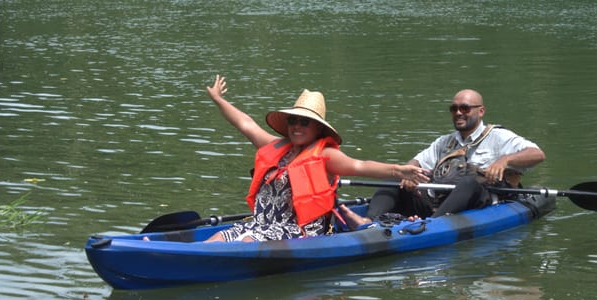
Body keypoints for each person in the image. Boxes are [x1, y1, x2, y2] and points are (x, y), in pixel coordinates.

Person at [201, 75, 429, 242]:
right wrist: (218, 99)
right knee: (218, 238)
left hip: (299, 231)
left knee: (248, 241)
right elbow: (246, 124)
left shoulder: (325, 155)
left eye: (304, 122)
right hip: (262, 224)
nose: (297, 126)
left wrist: (398, 170)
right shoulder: (278, 146)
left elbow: (360, 165)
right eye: (293, 121)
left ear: (317, 128)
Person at [342, 89, 545, 228]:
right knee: (395, 177)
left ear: (481, 111)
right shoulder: (445, 142)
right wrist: (407, 173)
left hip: (476, 200)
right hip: (437, 200)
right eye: (454, 109)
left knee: (470, 181)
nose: (458, 113)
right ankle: (367, 221)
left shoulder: (498, 137)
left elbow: (537, 154)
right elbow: (416, 163)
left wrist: (505, 160)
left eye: (465, 108)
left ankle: (430, 227)